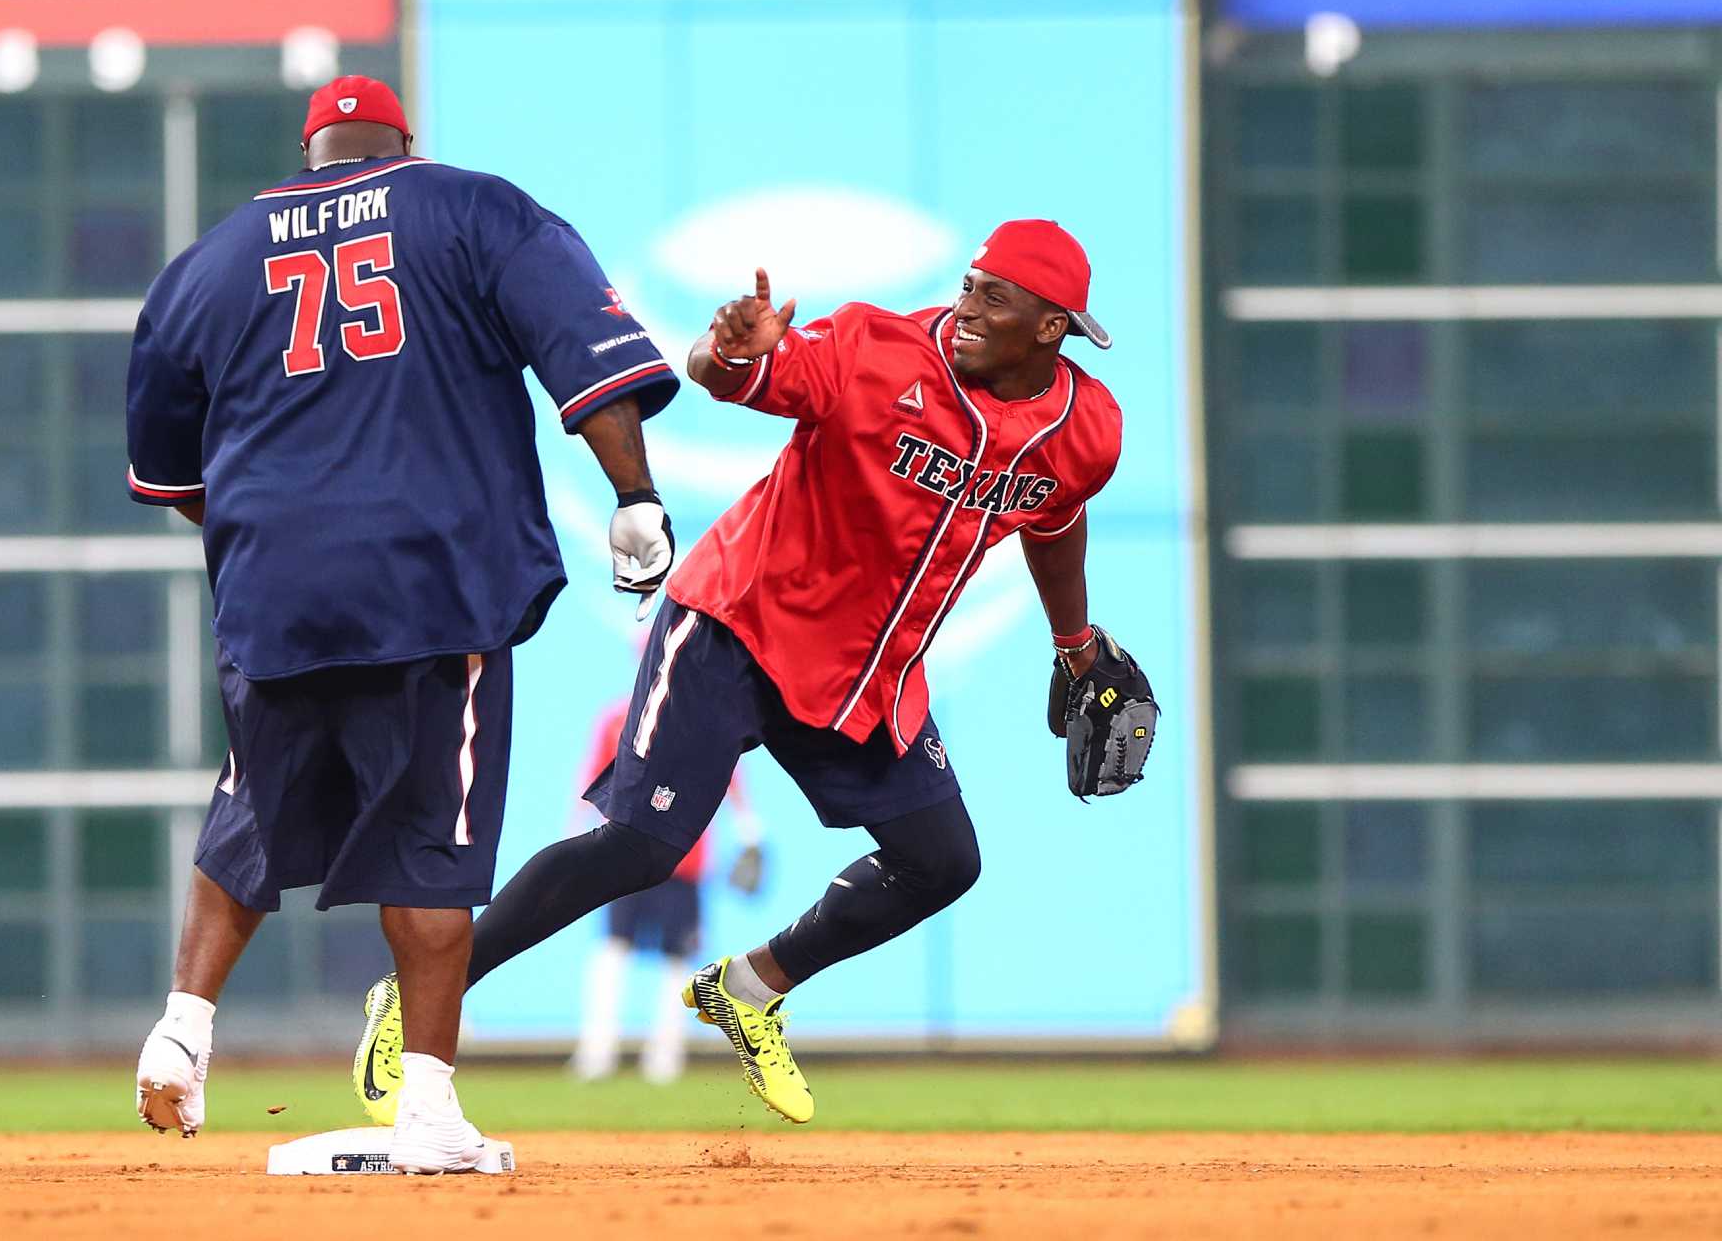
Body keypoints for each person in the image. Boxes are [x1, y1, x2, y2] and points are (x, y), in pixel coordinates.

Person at [355, 218, 1159, 1126]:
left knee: (942, 861)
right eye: (969, 284)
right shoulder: (874, 348)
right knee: (641, 846)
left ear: (1052, 329)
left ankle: (747, 989)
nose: (965, 306)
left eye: (993, 297)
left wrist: (1076, 643)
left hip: (865, 671)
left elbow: (1052, 520)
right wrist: (725, 352)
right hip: (736, 626)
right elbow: (737, 377)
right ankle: (423, 988)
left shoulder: (1085, 427)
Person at [124, 74, 679, 1172]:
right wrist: (634, 494)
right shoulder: (472, 207)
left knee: (249, 802)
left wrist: (270, 536)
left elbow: (171, 473)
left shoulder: (206, 265)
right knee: (432, 841)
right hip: (432, 578)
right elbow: (587, 357)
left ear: (312, 149)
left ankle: (180, 1032)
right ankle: (425, 1106)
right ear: (400, 141)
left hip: (274, 587)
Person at [566, 701, 763, 1084]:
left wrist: (748, 828)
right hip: (626, 852)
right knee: (614, 949)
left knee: (674, 956)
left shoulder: (707, 716)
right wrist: (574, 838)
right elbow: (593, 777)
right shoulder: (618, 717)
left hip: (681, 861)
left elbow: (730, 779)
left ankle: (665, 1053)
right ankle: (597, 1049)